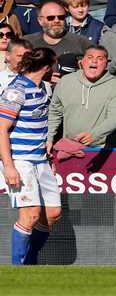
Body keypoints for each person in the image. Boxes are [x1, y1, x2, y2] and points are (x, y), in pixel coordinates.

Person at [0, 47, 60, 265]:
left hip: (40, 160)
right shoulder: (16, 90)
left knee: (52, 213)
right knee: (31, 214)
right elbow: (1, 128)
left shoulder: (43, 88)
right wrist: (9, 166)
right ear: (46, 67)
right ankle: (19, 269)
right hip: (21, 160)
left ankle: (31, 262)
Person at [47, 45, 116, 148]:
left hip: (100, 149)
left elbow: (115, 117)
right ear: (82, 62)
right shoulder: (65, 81)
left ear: (106, 64)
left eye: (100, 58)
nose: (94, 61)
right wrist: (49, 139)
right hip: (68, 147)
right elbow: (54, 112)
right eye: (90, 57)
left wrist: (95, 135)